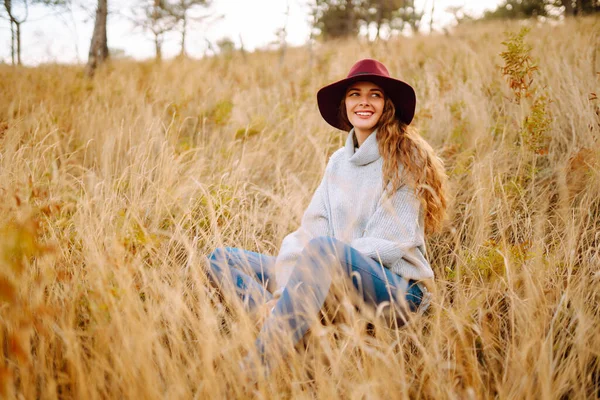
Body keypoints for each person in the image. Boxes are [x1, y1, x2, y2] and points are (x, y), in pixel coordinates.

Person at [206, 58, 448, 373]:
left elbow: (390, 244)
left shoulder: (407, 158)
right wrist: (291, 284)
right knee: (223, 259)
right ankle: (300, 338)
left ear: (387, 105)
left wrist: (319, 261)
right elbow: (311, 228)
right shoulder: (337, 161)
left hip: (398, 292)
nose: (364, 101)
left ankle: (254, 371)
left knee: (322, 249)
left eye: (375, 94)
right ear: (345, 105)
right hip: (330, 272)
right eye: (354, 94)